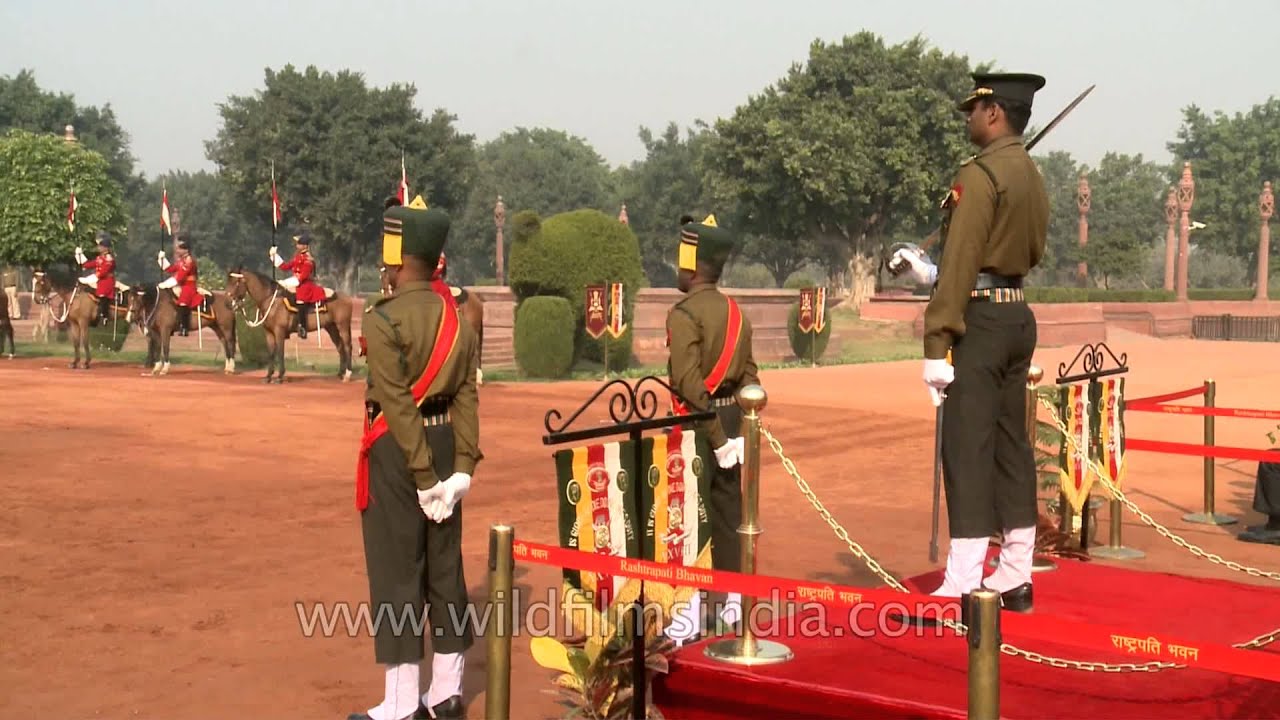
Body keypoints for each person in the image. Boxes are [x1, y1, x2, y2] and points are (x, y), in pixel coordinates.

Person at [891, 73, 1049, 616]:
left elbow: (962, 265)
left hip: (978, 326)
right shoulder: (1029, 173)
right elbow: (1023, 253)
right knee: (1011, 447)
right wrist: (931, 270)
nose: (968, 118)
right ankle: (1015, 574)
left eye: (974, 109)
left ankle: (962, 579)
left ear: (995, 114)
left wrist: (937, 342)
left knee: (966, 448)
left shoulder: (979, 176)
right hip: (1016, 316)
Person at [350, 195, 482, 720]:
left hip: (400, 455)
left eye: (388, 254)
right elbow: (469, 395)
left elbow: (397, 403)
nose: (384, 264)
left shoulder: (382, 318)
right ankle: (447, 693)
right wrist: (463, 469)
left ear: (402, 260)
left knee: (398, 572)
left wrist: (424, 476)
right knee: (446, 567)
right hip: (450, 442)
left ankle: (401, 705)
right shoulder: (458, 320)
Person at [664, 213, 759, 643]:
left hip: (696, 424)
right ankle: (734, 604)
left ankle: (687, 615)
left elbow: (686, 383)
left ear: (692, 266)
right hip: (732, 418)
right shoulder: (737, 313)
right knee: (728, 513)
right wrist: (740, 432)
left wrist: (718, 440)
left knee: (687, 516)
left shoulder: (683, 314)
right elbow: (751, 378)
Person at [271, 231, 326, 340]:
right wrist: (274, 256)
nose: (297, 246)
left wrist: (285, 282)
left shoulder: (308, 260)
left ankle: (303, 327)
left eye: (299, 244)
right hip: (297, 284)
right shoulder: (298, 257)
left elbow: (302, 277)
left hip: (306, 285)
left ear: (304, 246)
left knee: (300, 301)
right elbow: (285, 267)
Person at [158, 240, 200, 336]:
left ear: (186, 250)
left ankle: (184, 327)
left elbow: (181, 276)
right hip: (182, 285)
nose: (178, 251)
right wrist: (162, 259)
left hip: (189, 286)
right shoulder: (182, 261)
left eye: (180, 249)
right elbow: (170, 269)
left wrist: (166, 284)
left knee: (183, 303)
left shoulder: (189, 261)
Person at [76, 232, 117, 326]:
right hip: (100, 282)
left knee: (103, 296)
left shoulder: (109, 259)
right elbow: (87, 265)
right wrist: (79, 255)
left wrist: (87, 279)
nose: (98, 248)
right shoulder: (100, 257)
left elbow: (102, 273)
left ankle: (104, 316)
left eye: (100, 246)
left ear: (105, 247)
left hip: (107, 283)